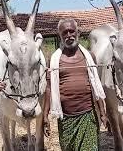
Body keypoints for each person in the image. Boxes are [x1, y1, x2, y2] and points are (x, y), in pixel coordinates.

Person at [43, 19, 108, 150]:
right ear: (60, 36)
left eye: (71, 31)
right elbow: (49, 88)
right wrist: (45, 116)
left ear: (77, 32)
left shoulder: (89, 56)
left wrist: (102, 112)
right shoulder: (54, 60)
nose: (68, 35)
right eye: (64, 33)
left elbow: (96, 86)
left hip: (88, 116)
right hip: (66, 119)